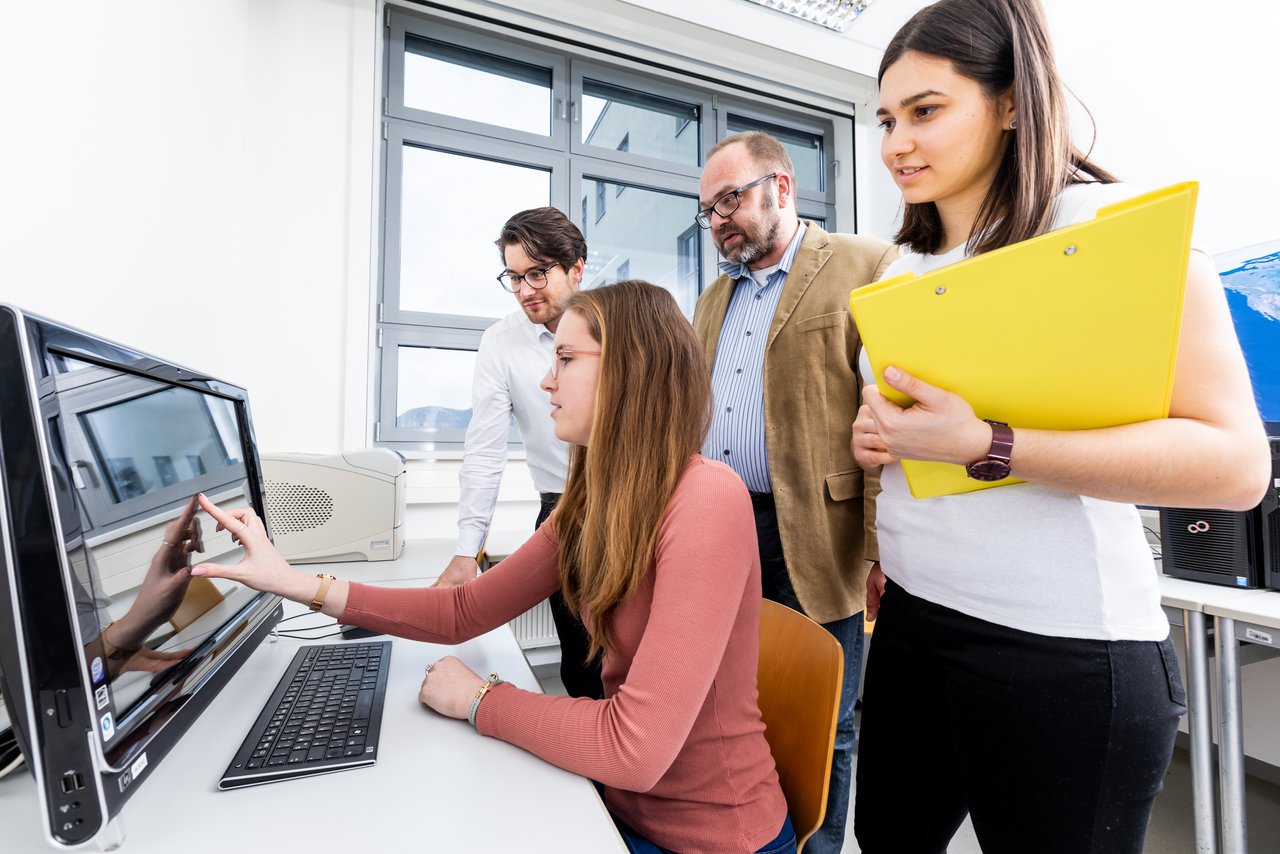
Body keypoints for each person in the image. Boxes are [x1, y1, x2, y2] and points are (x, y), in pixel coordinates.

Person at [851, 1, 1271, 852]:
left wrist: (988, 444)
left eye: (926, 111)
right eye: (887, 118)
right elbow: (918, 437)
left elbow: (1235, 467)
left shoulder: (1110, 233)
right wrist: (881, 445)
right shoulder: (903, 266)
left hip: (1063, 651)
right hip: (915, 618)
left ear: (1011, 104)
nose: (896, 141)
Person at [193, 280, 797, 854]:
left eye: (565, 358)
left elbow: (633, 747)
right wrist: (296, 583)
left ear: (626, 369)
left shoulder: (707, 499)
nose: (546, 380)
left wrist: (482, 698)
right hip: (619, 807)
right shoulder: (592, 502)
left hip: (709, 837)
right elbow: (464, 610)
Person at [691, 130, 896, 854]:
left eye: (729, 199)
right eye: (707, 209)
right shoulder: (714, 297)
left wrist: (881, 550)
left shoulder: (866, 264)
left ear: (782, 188)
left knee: (826, 718)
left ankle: (820, 846)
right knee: (736, 706)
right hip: (724, 530)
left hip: (817, 533)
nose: (718, 219)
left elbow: (886, 417)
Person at [433, 206, 602, 702]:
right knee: (582, 667)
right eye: (514, 277)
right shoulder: (500, 343)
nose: (526, 289)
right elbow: (483, 449)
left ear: (576, 268)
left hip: (634, 503)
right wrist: (470, 550)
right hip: (563, 511)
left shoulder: (620, 325)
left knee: (638, 663)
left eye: (537, 273)